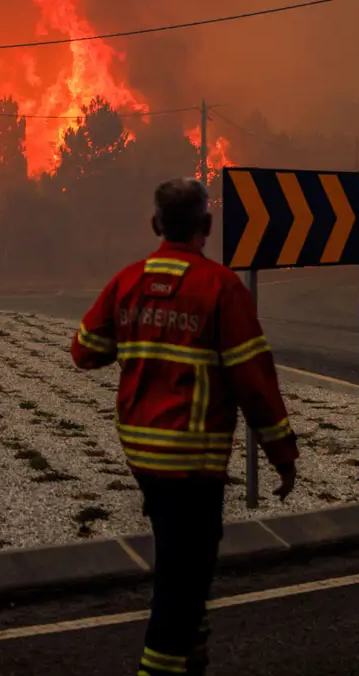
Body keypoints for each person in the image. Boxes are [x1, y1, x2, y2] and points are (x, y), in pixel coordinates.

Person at [72, 177, 300, 676]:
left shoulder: (127, 281)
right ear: (207, 225)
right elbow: (254, 383)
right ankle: (165, 662)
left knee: (181, 557)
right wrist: (283, 455)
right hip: (193, 462)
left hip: (142, 457)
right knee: (184, 577)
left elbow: (84, 351)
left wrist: (138, 332)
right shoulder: (220, 288)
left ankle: (192, 651)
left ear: (156, 225)